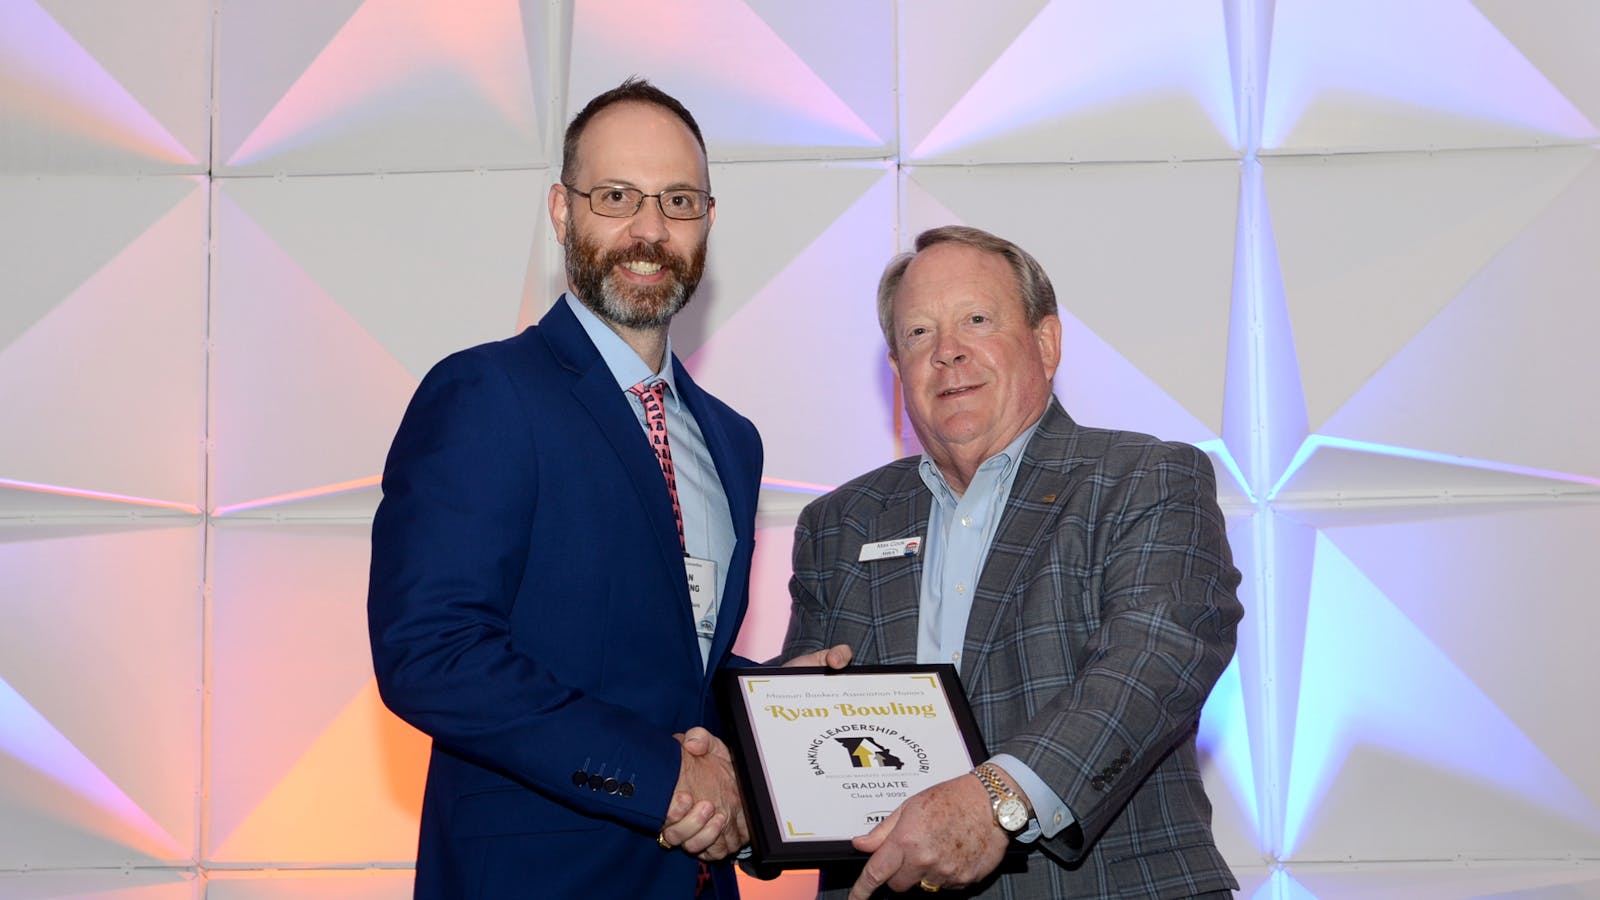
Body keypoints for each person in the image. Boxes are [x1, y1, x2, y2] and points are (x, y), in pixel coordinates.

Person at [368, 77, 842, 899]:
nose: (650, 230)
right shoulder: (486, 394)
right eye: (617, 196)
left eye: (679, 201)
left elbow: (661, 660)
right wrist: (656, 778)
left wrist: (778, 718)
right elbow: (432, 652)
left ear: (708, 222)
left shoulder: (732, 441)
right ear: (562, 212)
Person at [782, 225, 1244, 898]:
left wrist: (997, 797)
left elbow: (1153, 662)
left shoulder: (1145, 478)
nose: (947, 353)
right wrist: (759, 755)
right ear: (896, 370)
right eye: (918, 334)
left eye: (976, 320)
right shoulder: (838, 523)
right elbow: (808, 719)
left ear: (1046, 344)